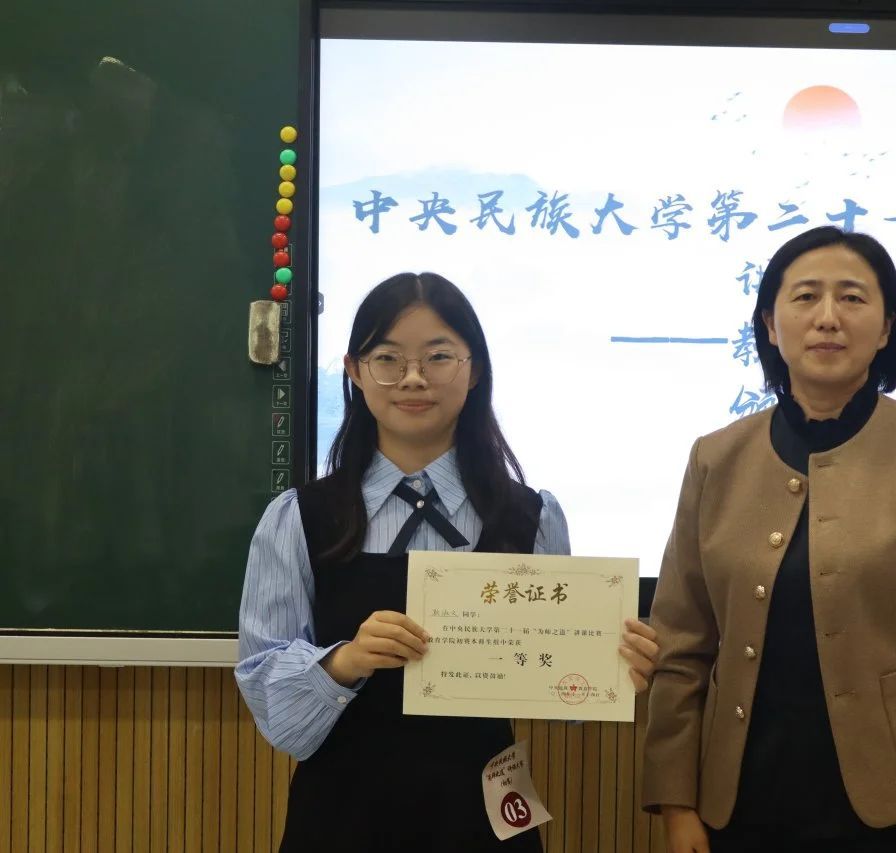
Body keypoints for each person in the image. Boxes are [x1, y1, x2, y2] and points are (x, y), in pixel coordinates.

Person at [236, 272, 659, 851]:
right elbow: (267, 695)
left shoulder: (532, 517)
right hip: (342, 817)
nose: (413, 378)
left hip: (482, 818)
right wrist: (345, 661)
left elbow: (563, 693)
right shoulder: (298, 518)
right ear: (354, 371)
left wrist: (613, 669)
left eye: (438, 357)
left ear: (474, 369)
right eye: (388, 359)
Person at [643, 227, 896, 853]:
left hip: (890, 808)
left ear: (886, 328)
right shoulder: (716, 458)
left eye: (853, 298)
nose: (828, 318)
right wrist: (676, 803)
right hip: (735, 805)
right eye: (805, 297)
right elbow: (681, 646)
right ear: (770, 325)